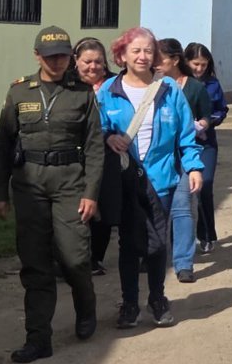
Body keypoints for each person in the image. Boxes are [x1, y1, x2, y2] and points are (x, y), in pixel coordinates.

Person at [0, 26, 104, 363]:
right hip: (30, 185)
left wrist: (91, 192)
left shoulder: (82, 94)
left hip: (70, 183)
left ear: (70, 57)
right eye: (50, 56)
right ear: (37, 56)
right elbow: (2, 144)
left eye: (63, 56)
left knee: (75, 258)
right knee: (35, 262)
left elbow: (95, 148)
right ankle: (38, 338)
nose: (57, 62)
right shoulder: (19, 92)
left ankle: (86, 308)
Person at [98, 27, 203, 330]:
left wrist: (194, 166)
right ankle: (130, 303)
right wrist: (108, 138)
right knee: (129, 244)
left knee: (157, 242)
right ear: (122, 55)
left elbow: (186, 133)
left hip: (161, 178)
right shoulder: (108, 91)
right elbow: (98, 129)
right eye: (136, 51)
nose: (142, 56)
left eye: (148, 51)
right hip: (125, 178)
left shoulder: (168, 89)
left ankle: (157, 298)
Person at [156, 38, 213, 283]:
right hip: (155, 159)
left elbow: (206, 116)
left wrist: (200, 127)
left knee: (182, 208)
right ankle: (151, 254)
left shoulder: (189, 88)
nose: (154, 63)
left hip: (183, 155)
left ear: (175, 60)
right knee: (154, 210)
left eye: (159, 58)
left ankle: (183, 263)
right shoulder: (147, 86)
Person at [73, 36, 116, 276]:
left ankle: (94, 258)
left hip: (106, 155)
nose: (93, 67)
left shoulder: (115, 85)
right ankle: (72, 257)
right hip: (73, 157)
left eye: (98, 62)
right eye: (87, 62)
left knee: (102, 209)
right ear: (76, 61)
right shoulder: (68, 86)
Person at [185, 42, 228, 253]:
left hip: (206, 142)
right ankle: (181, 238)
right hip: (181, 143)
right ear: (185, 62)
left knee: (205, 184)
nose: (199, 68)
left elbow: (222, 109)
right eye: (195, 64)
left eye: (204, 64)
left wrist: (209, 121)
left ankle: (207, 234)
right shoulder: (178, 83)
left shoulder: (212, 84)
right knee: (182, 191)